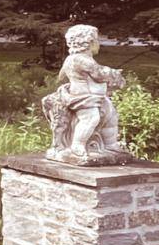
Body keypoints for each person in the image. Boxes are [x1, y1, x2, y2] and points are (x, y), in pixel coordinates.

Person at [43, 23, 132, 164]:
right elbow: (98, 74)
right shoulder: (81, 59)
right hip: (83, 98)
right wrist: (112, 73)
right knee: (90, 118)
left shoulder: (73, 59)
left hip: (97, 98)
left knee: (112, 117)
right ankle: (77, 145)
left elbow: (61, 76)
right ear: (89, 42)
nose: (98, 43)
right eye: (97, 40)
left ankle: (110, 144)